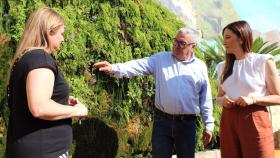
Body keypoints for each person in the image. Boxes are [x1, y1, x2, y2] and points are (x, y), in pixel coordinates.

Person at [93, 28, 214, 158]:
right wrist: (113, 68)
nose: (176, 45)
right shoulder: (161, 59)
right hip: (163, 122)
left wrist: (209, 125)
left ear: (193, 46)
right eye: (175, 41)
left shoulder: (200, 66)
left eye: (182, 43)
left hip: (186, 125)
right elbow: (138, 66)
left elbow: (205, 97)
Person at [6, 7, 88, 158]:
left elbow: (29, 100)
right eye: (61, 34)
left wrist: (60, 100)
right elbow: (39, 107)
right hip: (44, 152)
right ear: (49, 32)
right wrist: (77, 111)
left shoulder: (25, 58)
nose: (63, 39)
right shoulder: (41, 59)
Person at [216, 20, 280, 158]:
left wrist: (253, 99)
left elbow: (278, 97)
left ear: (241, 38)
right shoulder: (222, 66)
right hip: (228, 118)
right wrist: (223, 101)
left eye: (228, 37)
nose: (224, 42)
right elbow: (218, 97)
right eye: (224, 38)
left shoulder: (262, 61)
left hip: (254, 117)